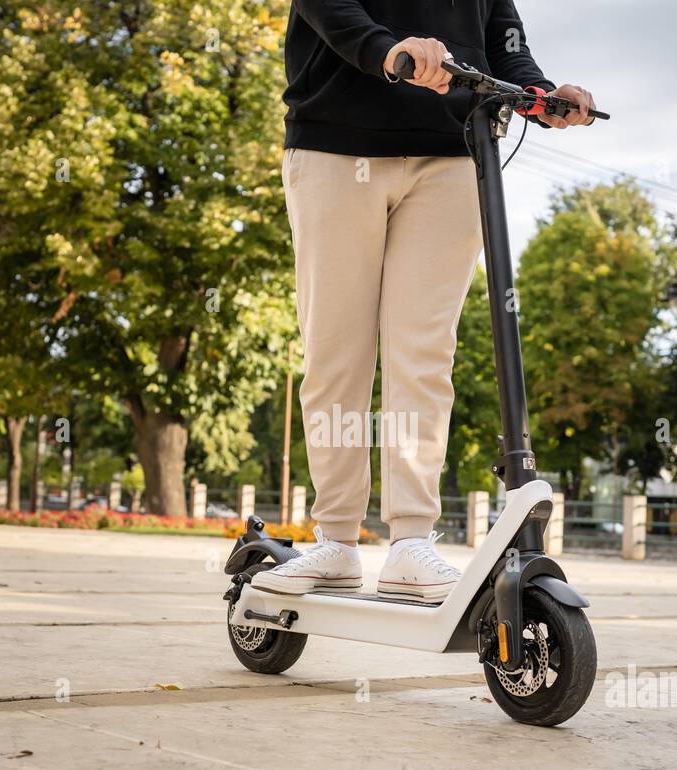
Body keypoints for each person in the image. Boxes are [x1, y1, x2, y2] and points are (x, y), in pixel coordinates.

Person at [252, 0, 595, 603]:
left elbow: (500, 37)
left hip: (454, 154)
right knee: (339, 351)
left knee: (424, 353)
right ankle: (335, 538)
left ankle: (411, 540)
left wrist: (541, 92)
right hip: (337, 145)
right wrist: (387, 50)